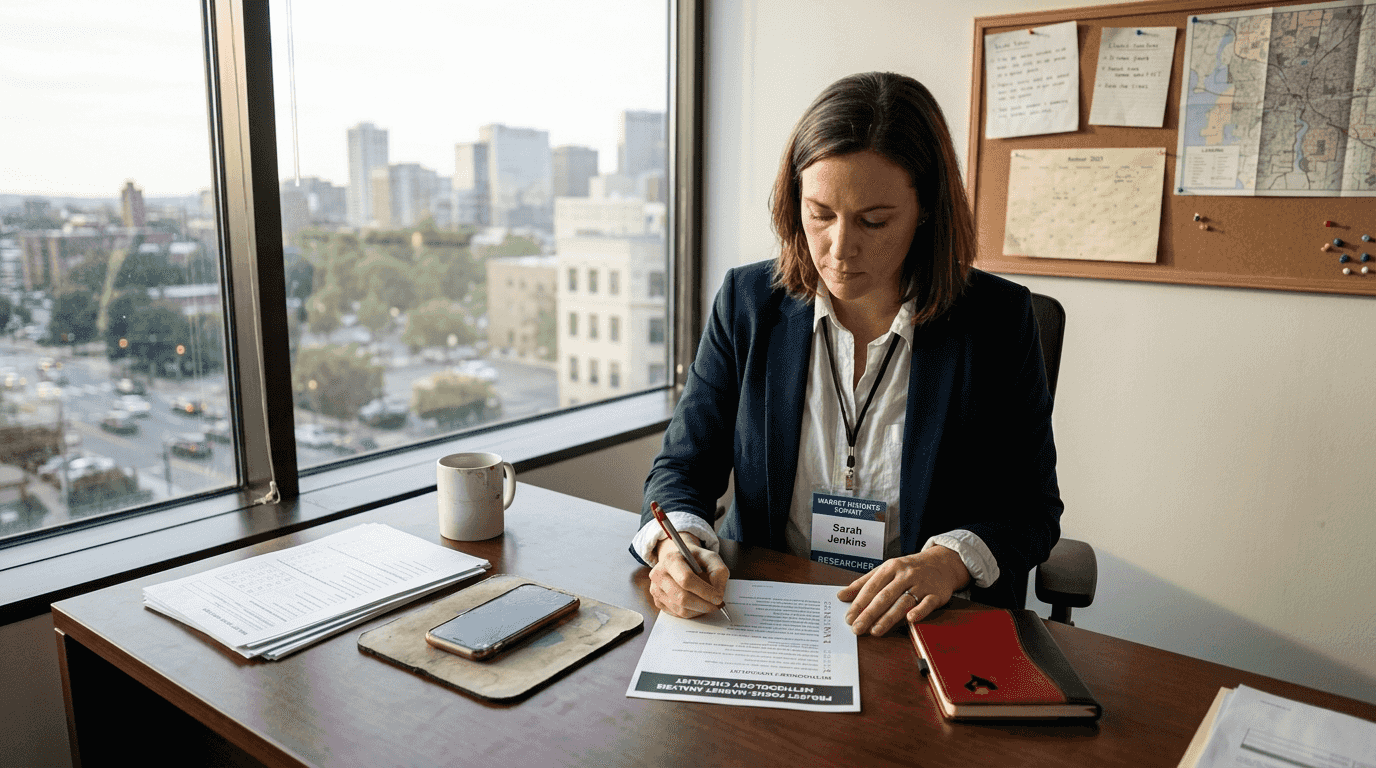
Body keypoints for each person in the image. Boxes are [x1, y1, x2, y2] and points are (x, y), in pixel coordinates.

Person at [630, 72, 1062, 637]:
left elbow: (1030, 508)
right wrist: (675, 547)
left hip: (922, 625)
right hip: (765, 617)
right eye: (820, 213)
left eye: (873, 221)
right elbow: (682, 467)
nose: (839, 248)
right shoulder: (747, 303)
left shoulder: (998, 320)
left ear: (926, 209)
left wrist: (948, 562)